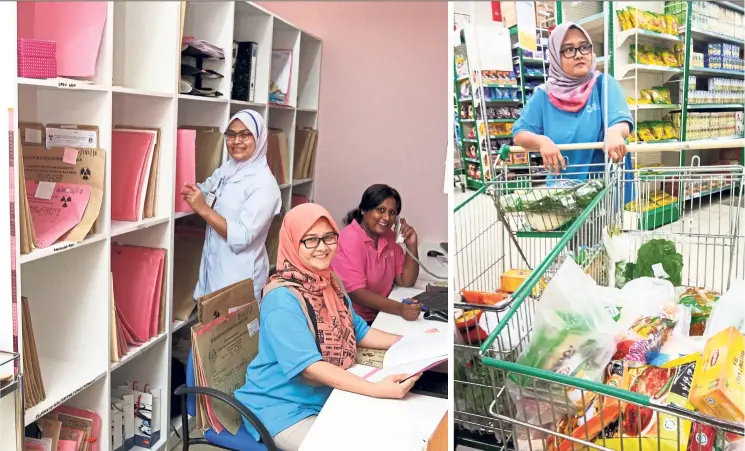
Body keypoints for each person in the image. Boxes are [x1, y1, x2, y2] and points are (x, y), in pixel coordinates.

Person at [234, 203, 422, 451]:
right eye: (310, 240)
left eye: (328, 237)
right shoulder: (281, 299)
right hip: (283, 408)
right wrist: (375, 389)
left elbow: (358, 330)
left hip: (325, 395)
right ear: (292, 243)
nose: (322, 247)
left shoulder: (329, 281)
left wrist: (413, 344)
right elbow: (311, 368)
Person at [512, 21, 634, 199]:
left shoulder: (603, 84)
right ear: (555, 56)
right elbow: (519, 133)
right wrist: (541, 142)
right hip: (562, 193)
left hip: (603, 191)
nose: (579, 55)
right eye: (569, 49)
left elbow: (620, 121)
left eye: (584, 47)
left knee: (603, 227)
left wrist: (614, 133)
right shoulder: (543, 95)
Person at [182, 109, 281, 302]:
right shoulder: (228, 169)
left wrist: (203, 209)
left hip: (240, 278)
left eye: (245, 135)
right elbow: (206, 188)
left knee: (235, 332)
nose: (236, 141)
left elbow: (243, 237)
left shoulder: (264, 184)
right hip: (215, 272)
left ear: (259, 138)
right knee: (211, 329)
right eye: (231, 134)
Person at [331, 184, 422, 325]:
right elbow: (357, 293)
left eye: (392, 213)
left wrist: (411, 244)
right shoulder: (348, 239)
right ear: (363, 209)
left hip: (381, 314)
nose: (386, 218)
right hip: (353, 320)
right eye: (380, 210)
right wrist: (400, 309)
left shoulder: (390, 237)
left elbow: (406, 281)